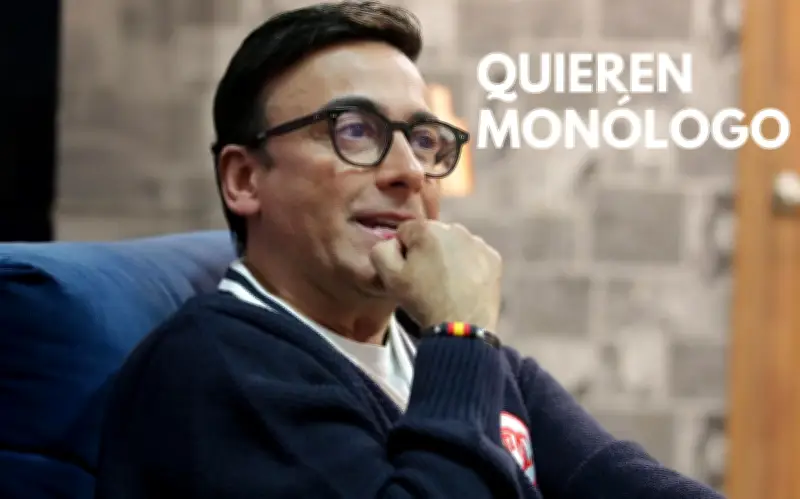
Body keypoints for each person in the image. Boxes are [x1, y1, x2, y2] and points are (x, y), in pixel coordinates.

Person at [94, 2, 725, 498]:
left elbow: (612, 476)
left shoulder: (433, 348)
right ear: (244, 179)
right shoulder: (217, 370)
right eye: (353, 130)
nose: (409, 172)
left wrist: (457, 342)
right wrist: (461, 333)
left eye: (423, 140)